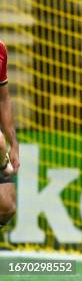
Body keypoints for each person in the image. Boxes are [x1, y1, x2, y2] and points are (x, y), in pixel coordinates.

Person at [0, 41, 19, 229]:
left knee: (7, 206)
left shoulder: (0, 50)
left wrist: (14, 143)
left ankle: (3, 163)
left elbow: (4, 98)